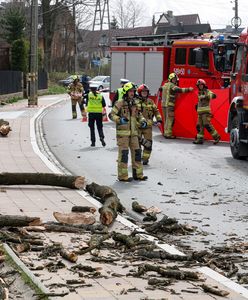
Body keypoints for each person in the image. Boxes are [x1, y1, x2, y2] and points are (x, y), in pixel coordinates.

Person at [109, 82, 148, 182]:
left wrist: (143, 121)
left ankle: (138, 175)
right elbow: (111, 115)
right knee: (124, 155)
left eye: (133, 91)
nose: (132, 93)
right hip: (123, 135)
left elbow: (139, 115)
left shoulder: (134, 103)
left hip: (134, 134)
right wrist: (119, 120)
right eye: (130, 91)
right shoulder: (120, 103)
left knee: (137, 153)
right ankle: (123, 176)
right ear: (126, 92)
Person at [136, 84, 162, 165]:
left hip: (148, 126)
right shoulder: (135, 102)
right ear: (139, 92)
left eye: (146, 92)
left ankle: (145, 159)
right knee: (137, 143)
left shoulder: (151, 102)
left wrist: (159, 120)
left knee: (148, 144)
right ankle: (137, 158)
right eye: (143, 91)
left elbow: (156, 111)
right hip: (138, 126)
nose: (144, 93)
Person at [162, 73, 193, 138]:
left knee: (166, 119)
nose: (175, 80)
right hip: (169, 105)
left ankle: (165, 132)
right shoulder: (172, 85)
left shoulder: (165, 85)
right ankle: (168, 134)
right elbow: (179, 90)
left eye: (175, 79)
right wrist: (188, 89)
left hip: (164, 105)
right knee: (170, 119)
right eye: (174, 79)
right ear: (170, 79)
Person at [193, 79, 220, 145]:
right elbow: (201, 102)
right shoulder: (199, 92)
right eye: (199, 85)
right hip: (200, 113)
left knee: (207, 124)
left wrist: (205, 96)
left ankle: (217, 137)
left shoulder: (207, 91)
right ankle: (200, 139)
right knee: (199, 126)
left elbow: (214, 96)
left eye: (201, 85)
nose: (200, 86)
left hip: (206, 113)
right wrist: (197, 106)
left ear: (204, 85)